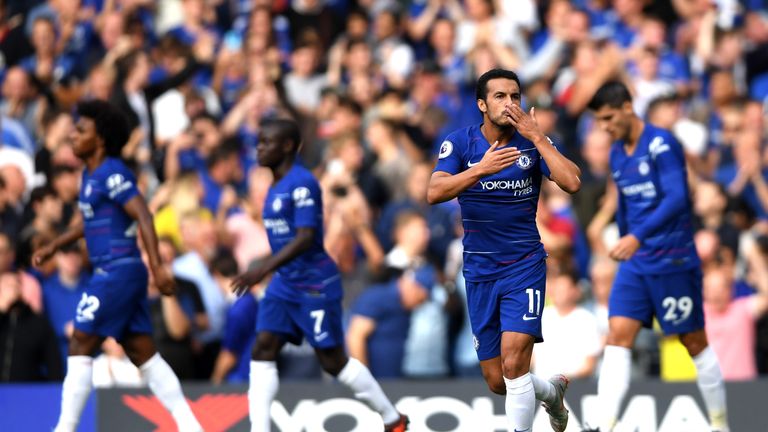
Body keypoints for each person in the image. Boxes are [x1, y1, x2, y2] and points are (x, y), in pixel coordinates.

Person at [32, 100, 202, 432]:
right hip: (116, 271)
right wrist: (56, 244)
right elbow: (91, 221)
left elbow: (142, 212)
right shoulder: (89, 176)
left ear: (102, 139)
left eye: (81, 130)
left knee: (81, 339)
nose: (72, 134)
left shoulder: (112, 171)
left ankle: (64, 428)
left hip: (118, 270)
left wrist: (158, 267)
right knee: (143, 353)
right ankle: (191, 425)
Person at [427, 68, 581, 432]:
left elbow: (573, 181)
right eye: (500, 97)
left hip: (524, 264)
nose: (510, 104)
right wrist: (479, 170)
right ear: (482, 104)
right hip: (480, 270)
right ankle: (552, 393)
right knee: (499, 380)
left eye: (515, 96)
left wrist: (539, 137)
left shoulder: (532, 142)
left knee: (514, 365)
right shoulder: (461, 143)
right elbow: (434, 192)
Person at [230, 118, 408, 432]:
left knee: (333, 361)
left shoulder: (303, 183)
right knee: (263, 348)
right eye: (258, 142)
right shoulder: (275, 185)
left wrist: (262, 269)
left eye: (265, 142)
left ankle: (392, 418)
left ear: (287, 146)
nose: (258, 148)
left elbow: (306, 235)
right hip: (285, 283)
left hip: (314, 284)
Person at [585, 81, 729, 432]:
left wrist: (636, 236)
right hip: (636, 262)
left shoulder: (661, 144)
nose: (604, 128)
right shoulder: (618, 153)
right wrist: (621, 239)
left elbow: (679, 198)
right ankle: (605, 423)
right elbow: (623, 204)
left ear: (626, 108)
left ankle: (720, 423)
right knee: (617, 333)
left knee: (693, 341)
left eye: (607, 118)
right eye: (599, 122)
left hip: (672, 259)